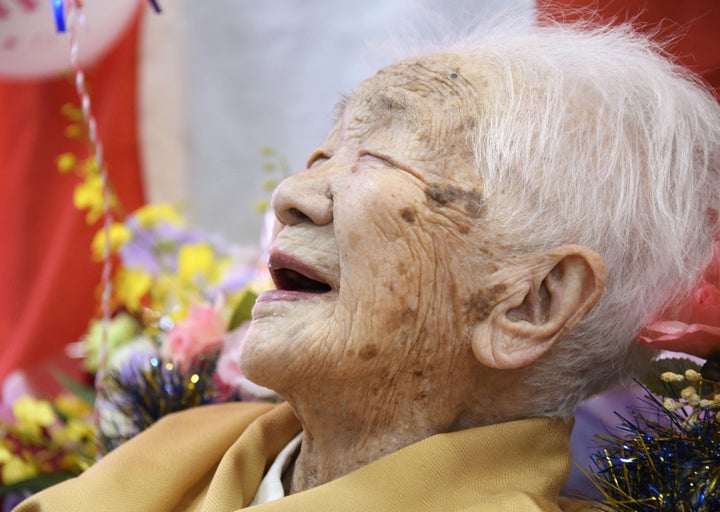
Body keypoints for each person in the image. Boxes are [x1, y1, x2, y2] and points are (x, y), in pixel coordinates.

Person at [15, 20, 720, 512]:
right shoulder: (170, 461)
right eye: (322, 155)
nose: (290, 195)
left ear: (532, 302)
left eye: (378, 158)